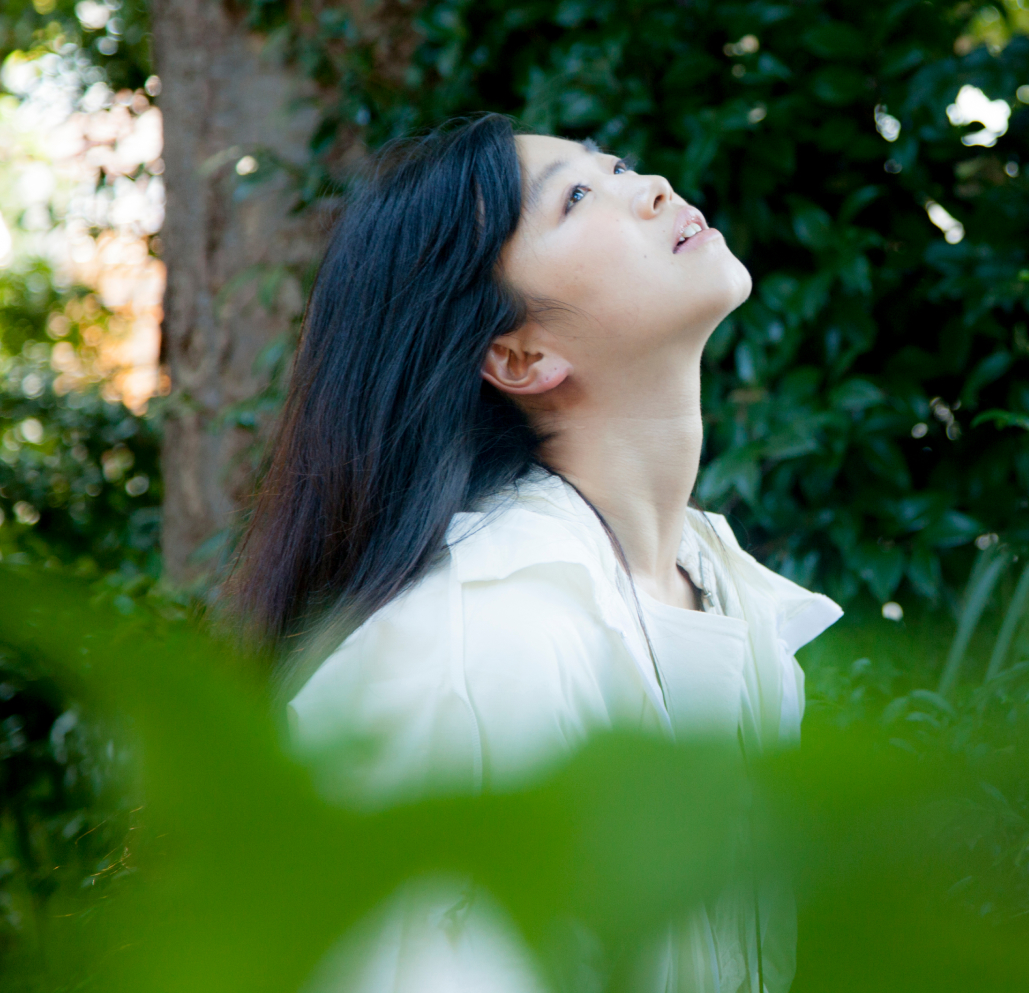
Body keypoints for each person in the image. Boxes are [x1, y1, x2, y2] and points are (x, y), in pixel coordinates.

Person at [223, 113, 841, 991]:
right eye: (577, 197)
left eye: (615, 165)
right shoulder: (477, 642)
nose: (651, 187)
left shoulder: (727, 592)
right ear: (519, 355)